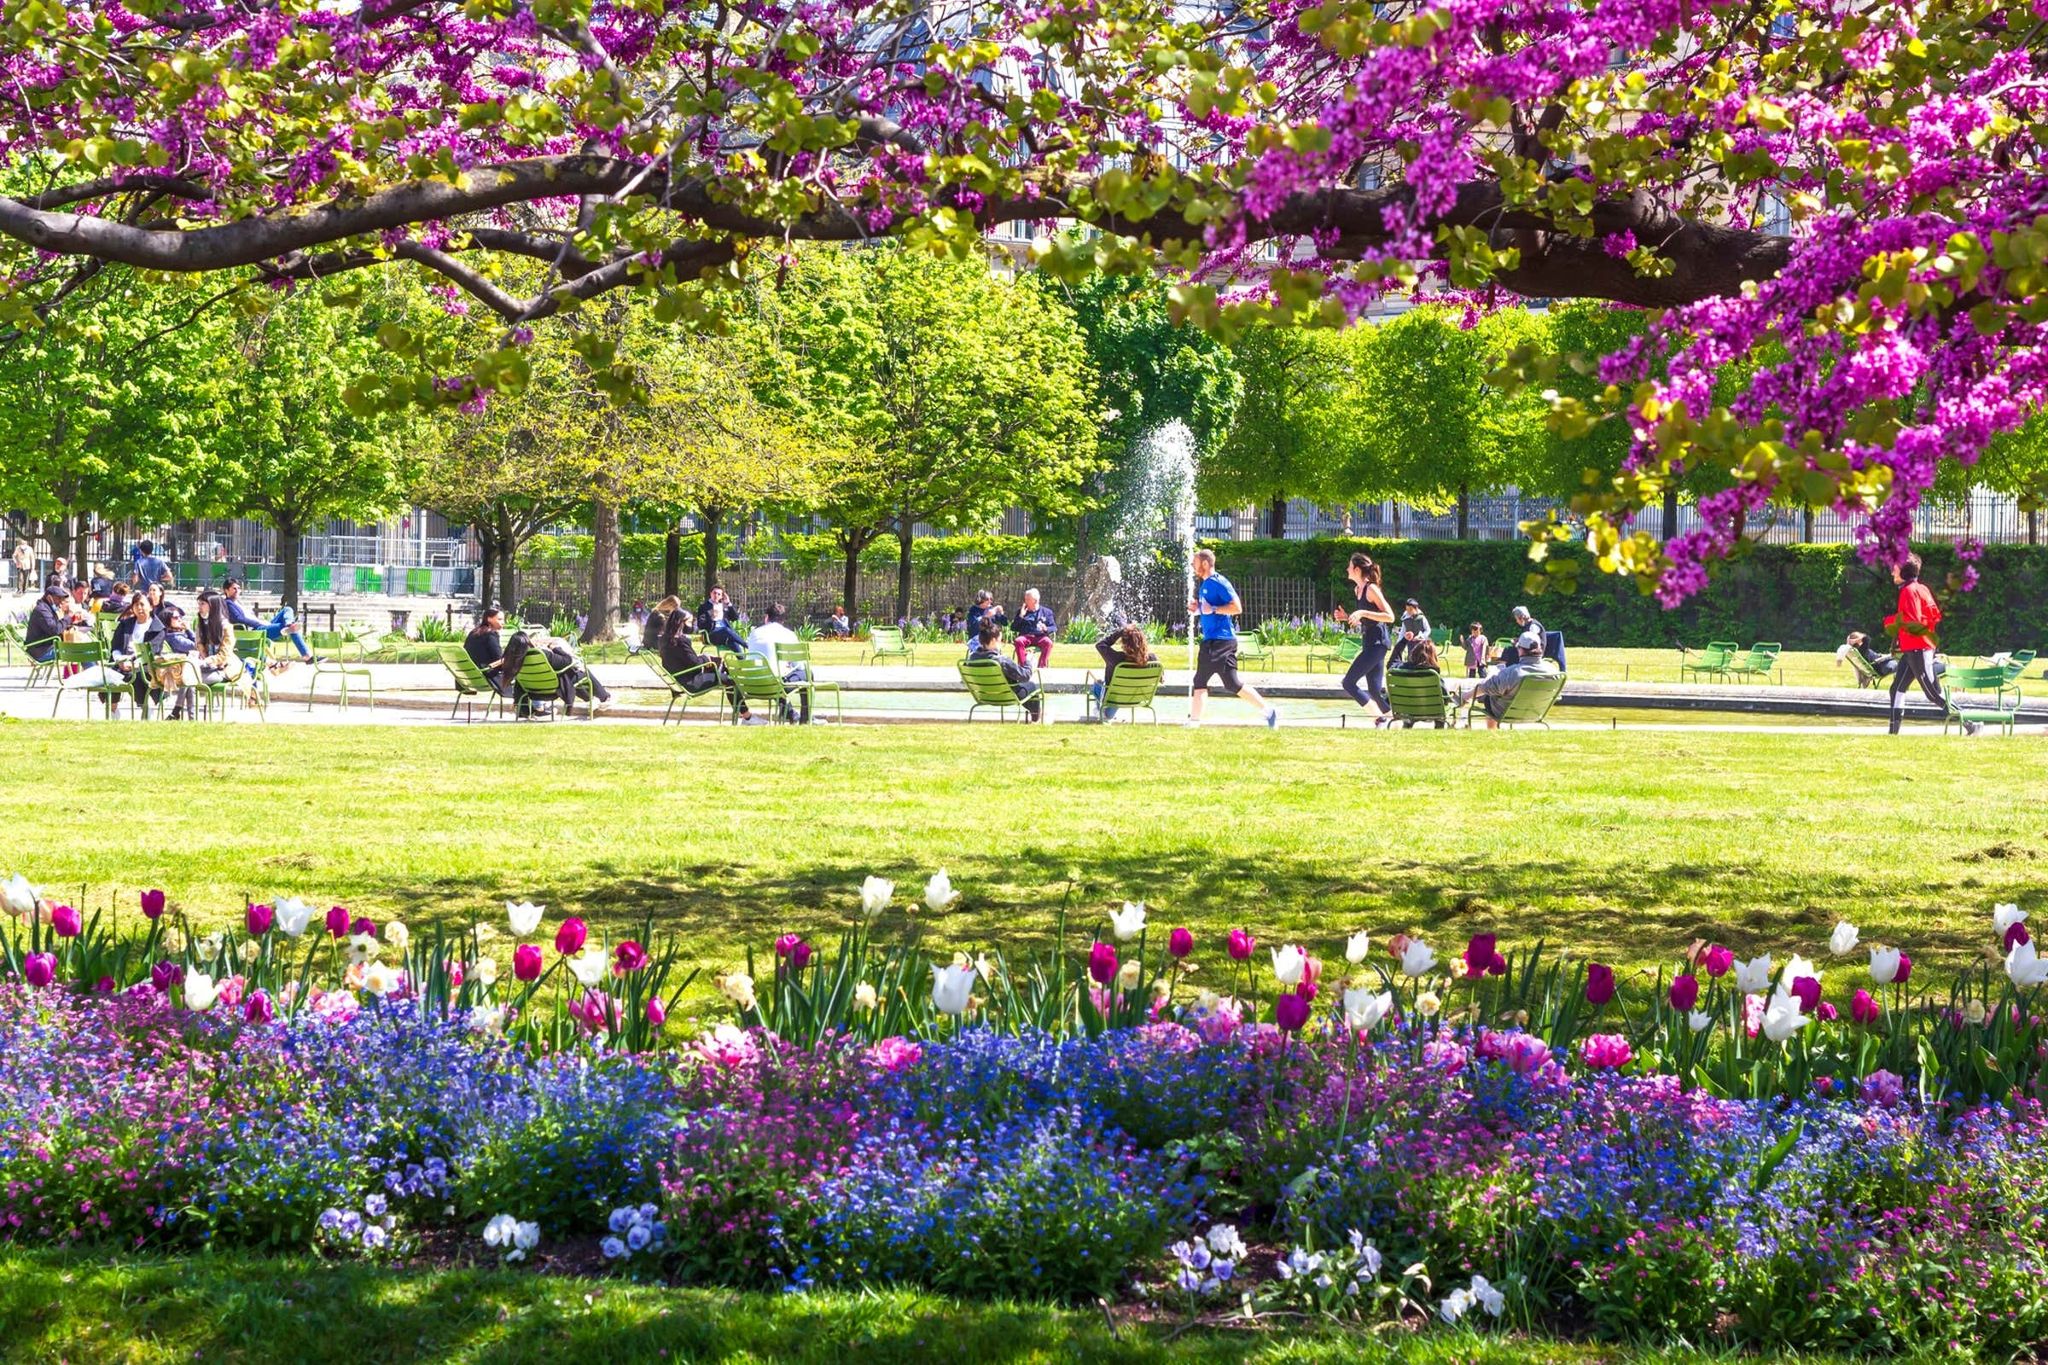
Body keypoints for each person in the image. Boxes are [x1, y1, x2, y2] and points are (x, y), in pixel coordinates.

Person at [1187, 548, 1280, 728]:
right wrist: (1198, 608)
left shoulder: (1219, 582)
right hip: (1216, 640)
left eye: (1195, 562)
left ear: (1205, 564)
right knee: (1228, 683)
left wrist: (1212, 609)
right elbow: (1210, 608)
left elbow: (1237, 607)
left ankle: (1194, 722)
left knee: (1204, 680)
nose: (1192, 565)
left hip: (1220, 641)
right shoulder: (1205, 584)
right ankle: (1269, 711)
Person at [1884, 553, 1966, 734]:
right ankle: (1892, 733)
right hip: (1916, 647)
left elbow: (1911, 620)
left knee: (1933, 693)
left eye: (1895, 569)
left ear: (1904, 571)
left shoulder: (1908, 591)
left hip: (1918, 648)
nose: (1892, 572)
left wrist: (1890, 621)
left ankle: (1969, 722)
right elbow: (1934, 615)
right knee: (1896, 688)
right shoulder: (1922, 589)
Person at [656, 604, 751, 720]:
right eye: (689, 623)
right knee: (728, 679)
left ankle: (743, 714)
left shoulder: (663, 640)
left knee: (722, 670)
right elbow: (695, 665)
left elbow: (686, 660)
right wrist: (706, 658)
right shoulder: (681, 641)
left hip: (679, 680)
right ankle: (747, 716)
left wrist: (705, 659)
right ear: (681, 623)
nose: (691, 626)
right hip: (691, 683)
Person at [1337, 552, 1395, 724]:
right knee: (1375, 691)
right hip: (1369, 643)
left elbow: (1390, 616)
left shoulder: (1371, 589)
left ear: (1356, 569)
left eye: (1349, 566)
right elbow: (1367, 620)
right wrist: (1347, 617)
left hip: (1378, 644)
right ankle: (1396, 719)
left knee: (1348, 683)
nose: (1347, 569)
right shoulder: (1358, 590)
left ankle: (1380, 719)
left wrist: (1362, 612)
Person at [1468, 631, 1561, 729]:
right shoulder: (1553, 671)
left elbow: (1487, 686)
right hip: (1536, 712)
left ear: (1521, 650)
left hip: (1506, 712)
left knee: (1489, 695)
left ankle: (1491, 732)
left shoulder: (1513, 672)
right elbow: (1557, 696)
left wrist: (1467, 696)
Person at [745, 602, 809, 722]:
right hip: (774, 685)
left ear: (766, 618)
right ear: (783, 620)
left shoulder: (754, 633)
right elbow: (799, 665)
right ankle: (805, 718)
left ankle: (790, 713)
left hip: (751, 684)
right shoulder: (788, 634)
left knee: (772, 674)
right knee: (807, 674)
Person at [220, 578, 312, 661]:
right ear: (226, 590)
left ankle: (289, 624)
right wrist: (260, 623)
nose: (237, 591)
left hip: (261, 625)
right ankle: (306, 655)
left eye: (238, 588)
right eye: (234, 588)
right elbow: (239, 619)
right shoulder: (228, 603)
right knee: (290, 628)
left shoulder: (238, 602)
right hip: (256, 630)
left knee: (287, 609)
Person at [968, 619, 1042, 721]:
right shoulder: (1001, 661)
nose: (1001, 644)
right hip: (1005, 695)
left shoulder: (972, 659)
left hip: (983, 695)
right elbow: (1025, 676)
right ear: (994, 640)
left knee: (1024, 687)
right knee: (1031, 686)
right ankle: (1036, 719)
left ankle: (1036, 717)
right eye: (1000, 640)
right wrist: (1029, 661)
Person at [108, 591, 164, 711]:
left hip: (145, 665)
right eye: (136, 605)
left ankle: (144, 709)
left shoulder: (158, 628)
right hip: (122, 663)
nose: (139, 608)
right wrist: (120, 660)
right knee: (111, 675)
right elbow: (115, 647)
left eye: (142, 604)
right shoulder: (124, 624)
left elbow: (152, 652)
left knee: (140, 676)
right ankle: (113, 712)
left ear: (150, 607)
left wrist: (133, 664)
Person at [1091, 622, 1152, 721]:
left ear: (1124, 643)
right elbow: (1162, 679)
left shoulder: (1115, 659)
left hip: (1115, 699)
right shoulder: (1152, 659)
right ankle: (1107, 714)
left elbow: (1100, 645)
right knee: (1118, 691)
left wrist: (1119, 633)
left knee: (1097, 684)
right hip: (1138, 698)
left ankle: (1104, 714)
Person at [465, 608, 513, 696]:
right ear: (489, 619)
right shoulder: (491, 634)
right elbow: (499, 660)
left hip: (472, 675)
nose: (503, 622)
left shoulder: (473, 633)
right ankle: (533, 706)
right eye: (500, 619)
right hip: (488, 674)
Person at [23, 580, 67, 663]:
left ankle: (72, 675)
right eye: (58, 598)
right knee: (78, 651)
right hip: (40, 652)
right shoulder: (42, 610)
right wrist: (68, 618)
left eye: (62, 599)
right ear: (49, 597)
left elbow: (55, 627)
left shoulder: (48, 609)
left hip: (45, 648)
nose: (61, 602)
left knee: (80, 649)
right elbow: (55, 630)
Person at [1011, 589, 1055, 669]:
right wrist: (1021, 616)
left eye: (1028, 599)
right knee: (1018, 641)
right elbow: (1013, 628)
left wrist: (1046, 628)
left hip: (1040, 637)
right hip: (1026, 636)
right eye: (1025, 599)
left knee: (1048, 642)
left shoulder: (1047, 612)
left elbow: (1053, 627)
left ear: (1035, 601)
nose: (1025, 601)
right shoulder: (1021, 611)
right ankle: (1023, 667)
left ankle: (1041, 667)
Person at [697, 585, 747, 653]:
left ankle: (742, 661)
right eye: (714, 593)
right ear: (710, 593)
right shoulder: (704, 607)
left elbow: (735, 618)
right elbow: (700, 624)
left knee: (732, 642)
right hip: (712, 634)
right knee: (726, 630)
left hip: (725, 635)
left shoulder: (724, 606)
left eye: (719, 594)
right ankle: (746, 645)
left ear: (721, 596)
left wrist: (728, 603)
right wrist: (712, 619)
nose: (716, 595)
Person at [1389, 599, 1431, 667]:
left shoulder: (1421, 618)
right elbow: (1402, 632)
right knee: (1411, 658)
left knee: (1422, 658)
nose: (1409, 611)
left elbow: (1428, 630)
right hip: (1410, 643)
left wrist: (1421, 636)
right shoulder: (1405, 619)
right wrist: (1399, 643)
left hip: (1421, 643)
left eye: (1411, 609)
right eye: (1407, 609)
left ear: (1416, 609)